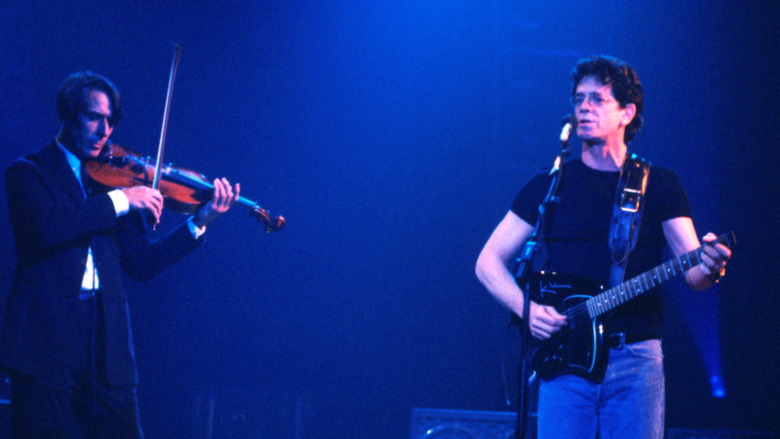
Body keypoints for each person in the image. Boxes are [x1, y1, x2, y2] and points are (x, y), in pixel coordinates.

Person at [475, 55, 731, 439]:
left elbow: (694, 272)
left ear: (627, 113)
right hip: (565, 358)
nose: (584, 109)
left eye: (597, 100)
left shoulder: (658, 185)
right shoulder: (550, 185)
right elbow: (488, 262)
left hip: (635, 360)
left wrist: (711, 264)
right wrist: (525, 309)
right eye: (579, 100)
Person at [0, 71, 240, 438]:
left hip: (106, 341)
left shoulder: (120, 178)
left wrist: (198, 222)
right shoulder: (28, 172)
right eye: (94, 117)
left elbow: (140, 264)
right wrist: (122, 200)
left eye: (110, 120)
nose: (105, 130)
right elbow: (46, 227)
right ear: (68, 115)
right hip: (44, 341)